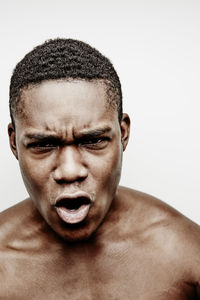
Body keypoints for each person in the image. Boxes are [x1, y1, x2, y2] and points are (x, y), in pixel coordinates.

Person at [1, 38, 199, 299]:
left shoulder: (184, 253)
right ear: (15, 143)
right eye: (44, 144)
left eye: (93, 140)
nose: (70, 171)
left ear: (123, 133)